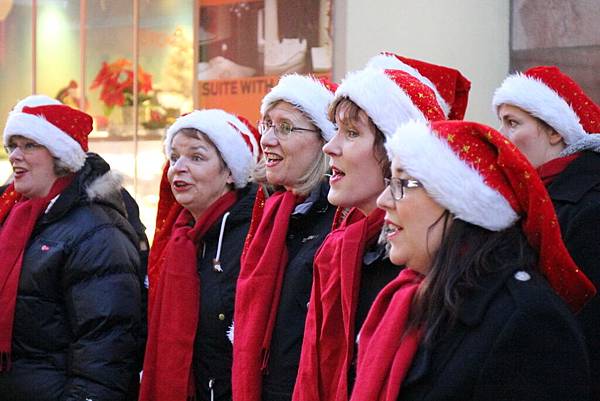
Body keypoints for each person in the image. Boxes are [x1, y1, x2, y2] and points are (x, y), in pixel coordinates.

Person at [351, 119, 595, 401]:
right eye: (390, 182)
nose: (384, 200)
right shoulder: (413, 298)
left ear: (459, 200)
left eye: (403, 183)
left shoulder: (526, 319)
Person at [293, 55, 471, 401]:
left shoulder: (429, 264)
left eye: (352, 133)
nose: (331, 147)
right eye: (336, 132)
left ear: (396, 153)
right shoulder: (342, 248)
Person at [0, 95, 142, 400]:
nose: (15, 156)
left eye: (30, 145)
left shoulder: (97, 231)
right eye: (12, 145)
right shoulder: (10, 216)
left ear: (61, 156)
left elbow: (106, 347)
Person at [493, 66, 600, 398]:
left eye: (513, 123)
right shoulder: (523, 198)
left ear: (555, 131)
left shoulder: (589, 208)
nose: (500, 136)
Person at [138, 109, 261, 401]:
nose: (178, 167)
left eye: (196, 157)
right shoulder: (176, 238)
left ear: (231, 172)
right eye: (175, 156)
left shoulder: (252, 238)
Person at [232, 74, 337, 401]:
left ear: (325, 141)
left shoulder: (338, 224)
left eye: (286, 127)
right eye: (267, 125)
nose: (267, 139)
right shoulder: (270, 215)